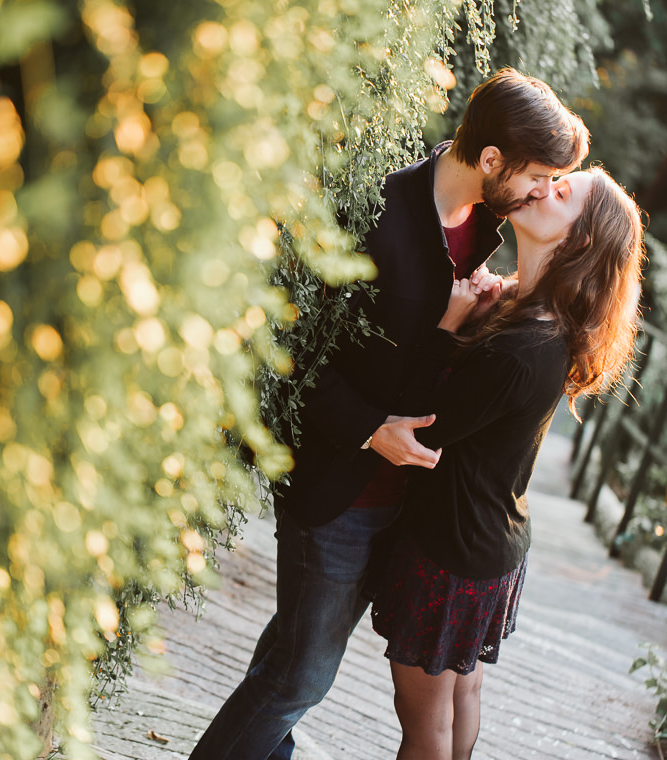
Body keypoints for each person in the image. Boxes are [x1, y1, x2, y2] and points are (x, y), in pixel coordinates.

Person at [189, 69, 590, 760]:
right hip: (344, 490)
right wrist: (372, 426)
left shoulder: (493, 227)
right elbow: (285, 348)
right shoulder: (376, 209)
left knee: (292, 662)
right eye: (538, 177)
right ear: (491, 160)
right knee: (300, 678)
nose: (541, 193)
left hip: (411, 512)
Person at [369, 166, 647, 760]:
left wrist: (447, 326)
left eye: (564, 192)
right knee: (459, 695)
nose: (546, 185)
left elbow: (424, 427)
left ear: (579, 241)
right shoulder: (534, 312)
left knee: (424, 724)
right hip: (491, 541)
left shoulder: (524, 346)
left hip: (452, 550)